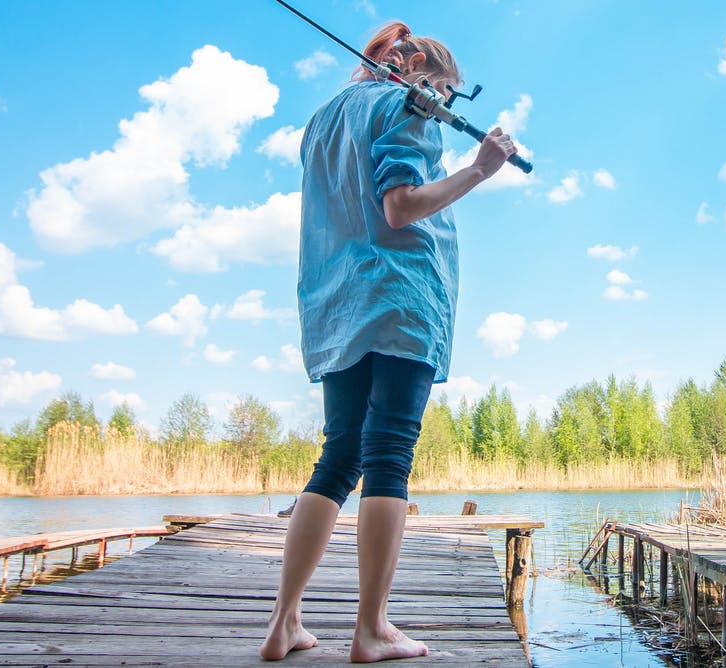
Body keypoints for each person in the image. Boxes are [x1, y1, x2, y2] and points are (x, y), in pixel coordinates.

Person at [259, 21, 517, 663]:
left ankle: (283, 623)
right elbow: (400, 206)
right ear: (418, 73)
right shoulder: (406, 104)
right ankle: (371, 629)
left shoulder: (322, 120)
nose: (445, 108)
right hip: (398, 300)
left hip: (336, 304)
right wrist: (479, 170)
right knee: (389, 456)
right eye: (445, 94)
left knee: (339, 456)